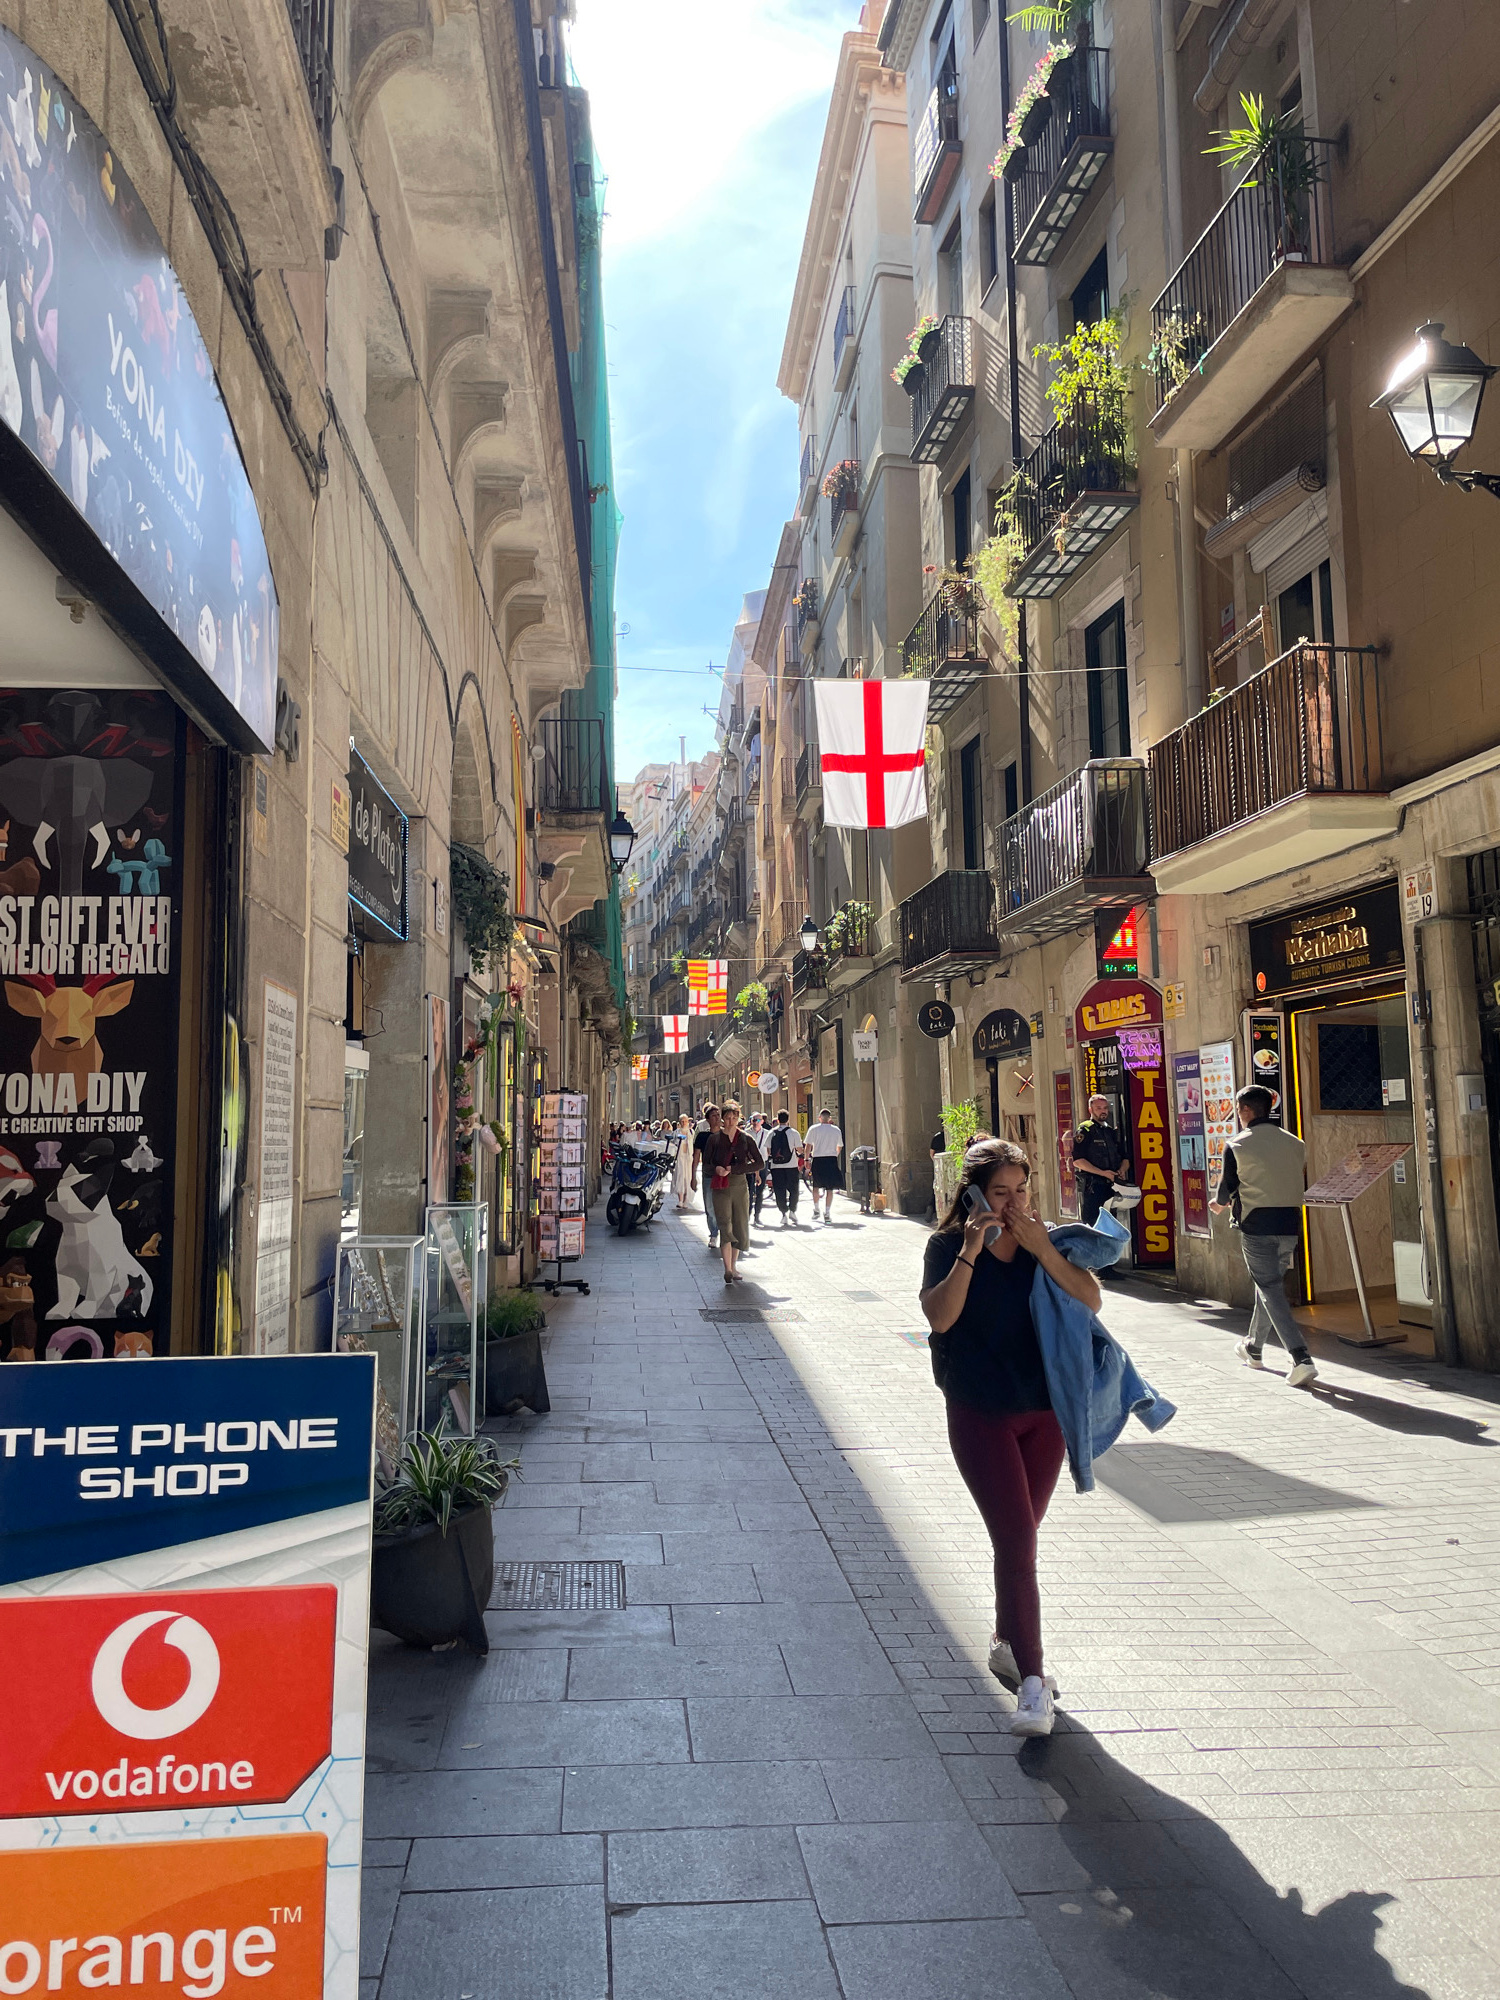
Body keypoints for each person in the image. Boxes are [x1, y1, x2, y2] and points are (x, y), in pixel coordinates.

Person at [920, 1139, 1101, 1738]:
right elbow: (940, 1317)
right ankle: (1033, 1684)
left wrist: (1043, 1247)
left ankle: (1007, 1642)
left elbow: (1091, 1299)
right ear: (973, 1193)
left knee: (1018, 1543)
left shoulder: (1043, 1242)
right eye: (1001, 1192)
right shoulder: (947, 1246)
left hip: (1044, 1415)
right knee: (1018, 1542)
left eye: (1022, 1190)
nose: (1014, 1203)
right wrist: (971, 1250)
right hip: (980, 1412)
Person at [1211, 1085, 1318, 1387]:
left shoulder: (1237, 1144)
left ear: (1246, 1110)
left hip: (1256, 1224)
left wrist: (1219, 1204)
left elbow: (1226, 1188)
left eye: (1238, 1109)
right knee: (1269, 1287)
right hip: (1290, 1223)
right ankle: (1253, 1347)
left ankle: (1301, 1358)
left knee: (1269, 1289)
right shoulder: (1296, 1143)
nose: (1238, 1115)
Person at [704, 1099, 761, 1284]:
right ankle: (727, 1269)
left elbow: (759, 1163)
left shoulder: (746, 1138)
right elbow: (706, 1165)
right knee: (725, 1224)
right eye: (727, 1118)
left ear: (738, 1119)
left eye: (734, 1118)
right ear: (722, 1119)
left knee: (739, 1224)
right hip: (720, 1186)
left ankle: (734, 1266)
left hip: (739, 1186)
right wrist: (717, 1169)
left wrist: (736, 1168)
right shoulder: (714, 1139)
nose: (730, 1121)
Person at [1072, 1096, 1131, 1232]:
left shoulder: (1110, 1132)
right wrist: (1103, 1173)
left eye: (1105, 1108)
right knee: (1093, 1228)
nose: (1103, 1111)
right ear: (1090, 1110)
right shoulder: (1085, 1130)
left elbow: (1125, 1158)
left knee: (1110, 1228)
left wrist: (1122, 1170)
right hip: (1093, 1187)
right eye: (1098, 1108)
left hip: (1111, 1187)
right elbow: (1078, 1161)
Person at [689, 1105, 722, 1250]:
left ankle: (725, 1232)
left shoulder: (726, 1135)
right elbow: (696, 1157)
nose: (717, 1118)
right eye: (713, 1115)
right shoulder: (702, 1136)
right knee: (709, 1205)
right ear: (707, 1119)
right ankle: (713, 1233)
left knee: (724, 1205)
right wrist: (693, 1177)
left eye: (718, 1115)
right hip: (708, 1174)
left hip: (725, 1175)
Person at [806, 1107, 845, 1221]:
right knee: (829, 1188)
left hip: (818, 1159)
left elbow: (808, 1146)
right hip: (831, 1160)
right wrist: (835, 1154)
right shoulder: (836, 1130)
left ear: (819, 1118)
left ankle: (816, 1209)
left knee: (816, 1186)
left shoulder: (813, 1129)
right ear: (829, 1118)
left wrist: (806, 1159)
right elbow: (840, 1146)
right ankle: (827, 1212)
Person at [767, 1110, 802, 1225]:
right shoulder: (794, 1133)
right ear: (788, 1120)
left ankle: (783, 1213)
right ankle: (792, 1210)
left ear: (777, 1120)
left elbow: (768, 1151)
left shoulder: (771, 1132)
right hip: (791, 1165)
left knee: (779, 1190)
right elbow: (799, 1149)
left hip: (776, 1166)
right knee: (794, 1189)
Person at [745, 1112, 770, 1225]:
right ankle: (748, 1214)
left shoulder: (767, 1133)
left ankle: (757, 1215)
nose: (756, 1122)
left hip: (762, 1163)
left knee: (760, 1191)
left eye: (758, 1120)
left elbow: (769, 1148)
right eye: (754, 1120)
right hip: (750, 1164)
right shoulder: (746, 1133)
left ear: (762, 1121)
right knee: (749, 1191)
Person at [672, 1113, 694, 1209]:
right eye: (682, 1121)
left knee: (687, 1179)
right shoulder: (676, 1133)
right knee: (680, 1177)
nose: (684, 1123)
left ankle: (686, 1200)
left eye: (685, 1121)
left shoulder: (691, 1132)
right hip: (679, 1158)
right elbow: (673, 1144)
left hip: (688, 1158)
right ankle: (680, 1200)